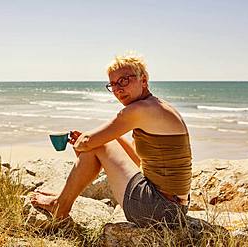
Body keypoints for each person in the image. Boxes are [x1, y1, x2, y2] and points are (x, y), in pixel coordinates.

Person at [31, 53, 192, 227]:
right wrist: (93, 141)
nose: (118, 89)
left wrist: (85, 143)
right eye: (113, 84)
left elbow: (87, 142)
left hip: (156, 210)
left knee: (96, 145)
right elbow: (137, 160)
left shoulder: (139, 109)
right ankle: (61, 199)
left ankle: (60, 206)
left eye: (124, 80)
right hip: (176, 209)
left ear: (143, 80)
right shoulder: (157, 106)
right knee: (103, 141)